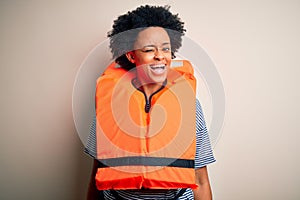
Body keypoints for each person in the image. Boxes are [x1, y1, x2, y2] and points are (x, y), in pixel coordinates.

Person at [85, 5, 215, 200]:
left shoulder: (190, 105)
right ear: (131, 55)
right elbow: (97, 173)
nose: (160, 56)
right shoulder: (110, 103)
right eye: (149, 49)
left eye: (165, 48)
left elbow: (201, 179)